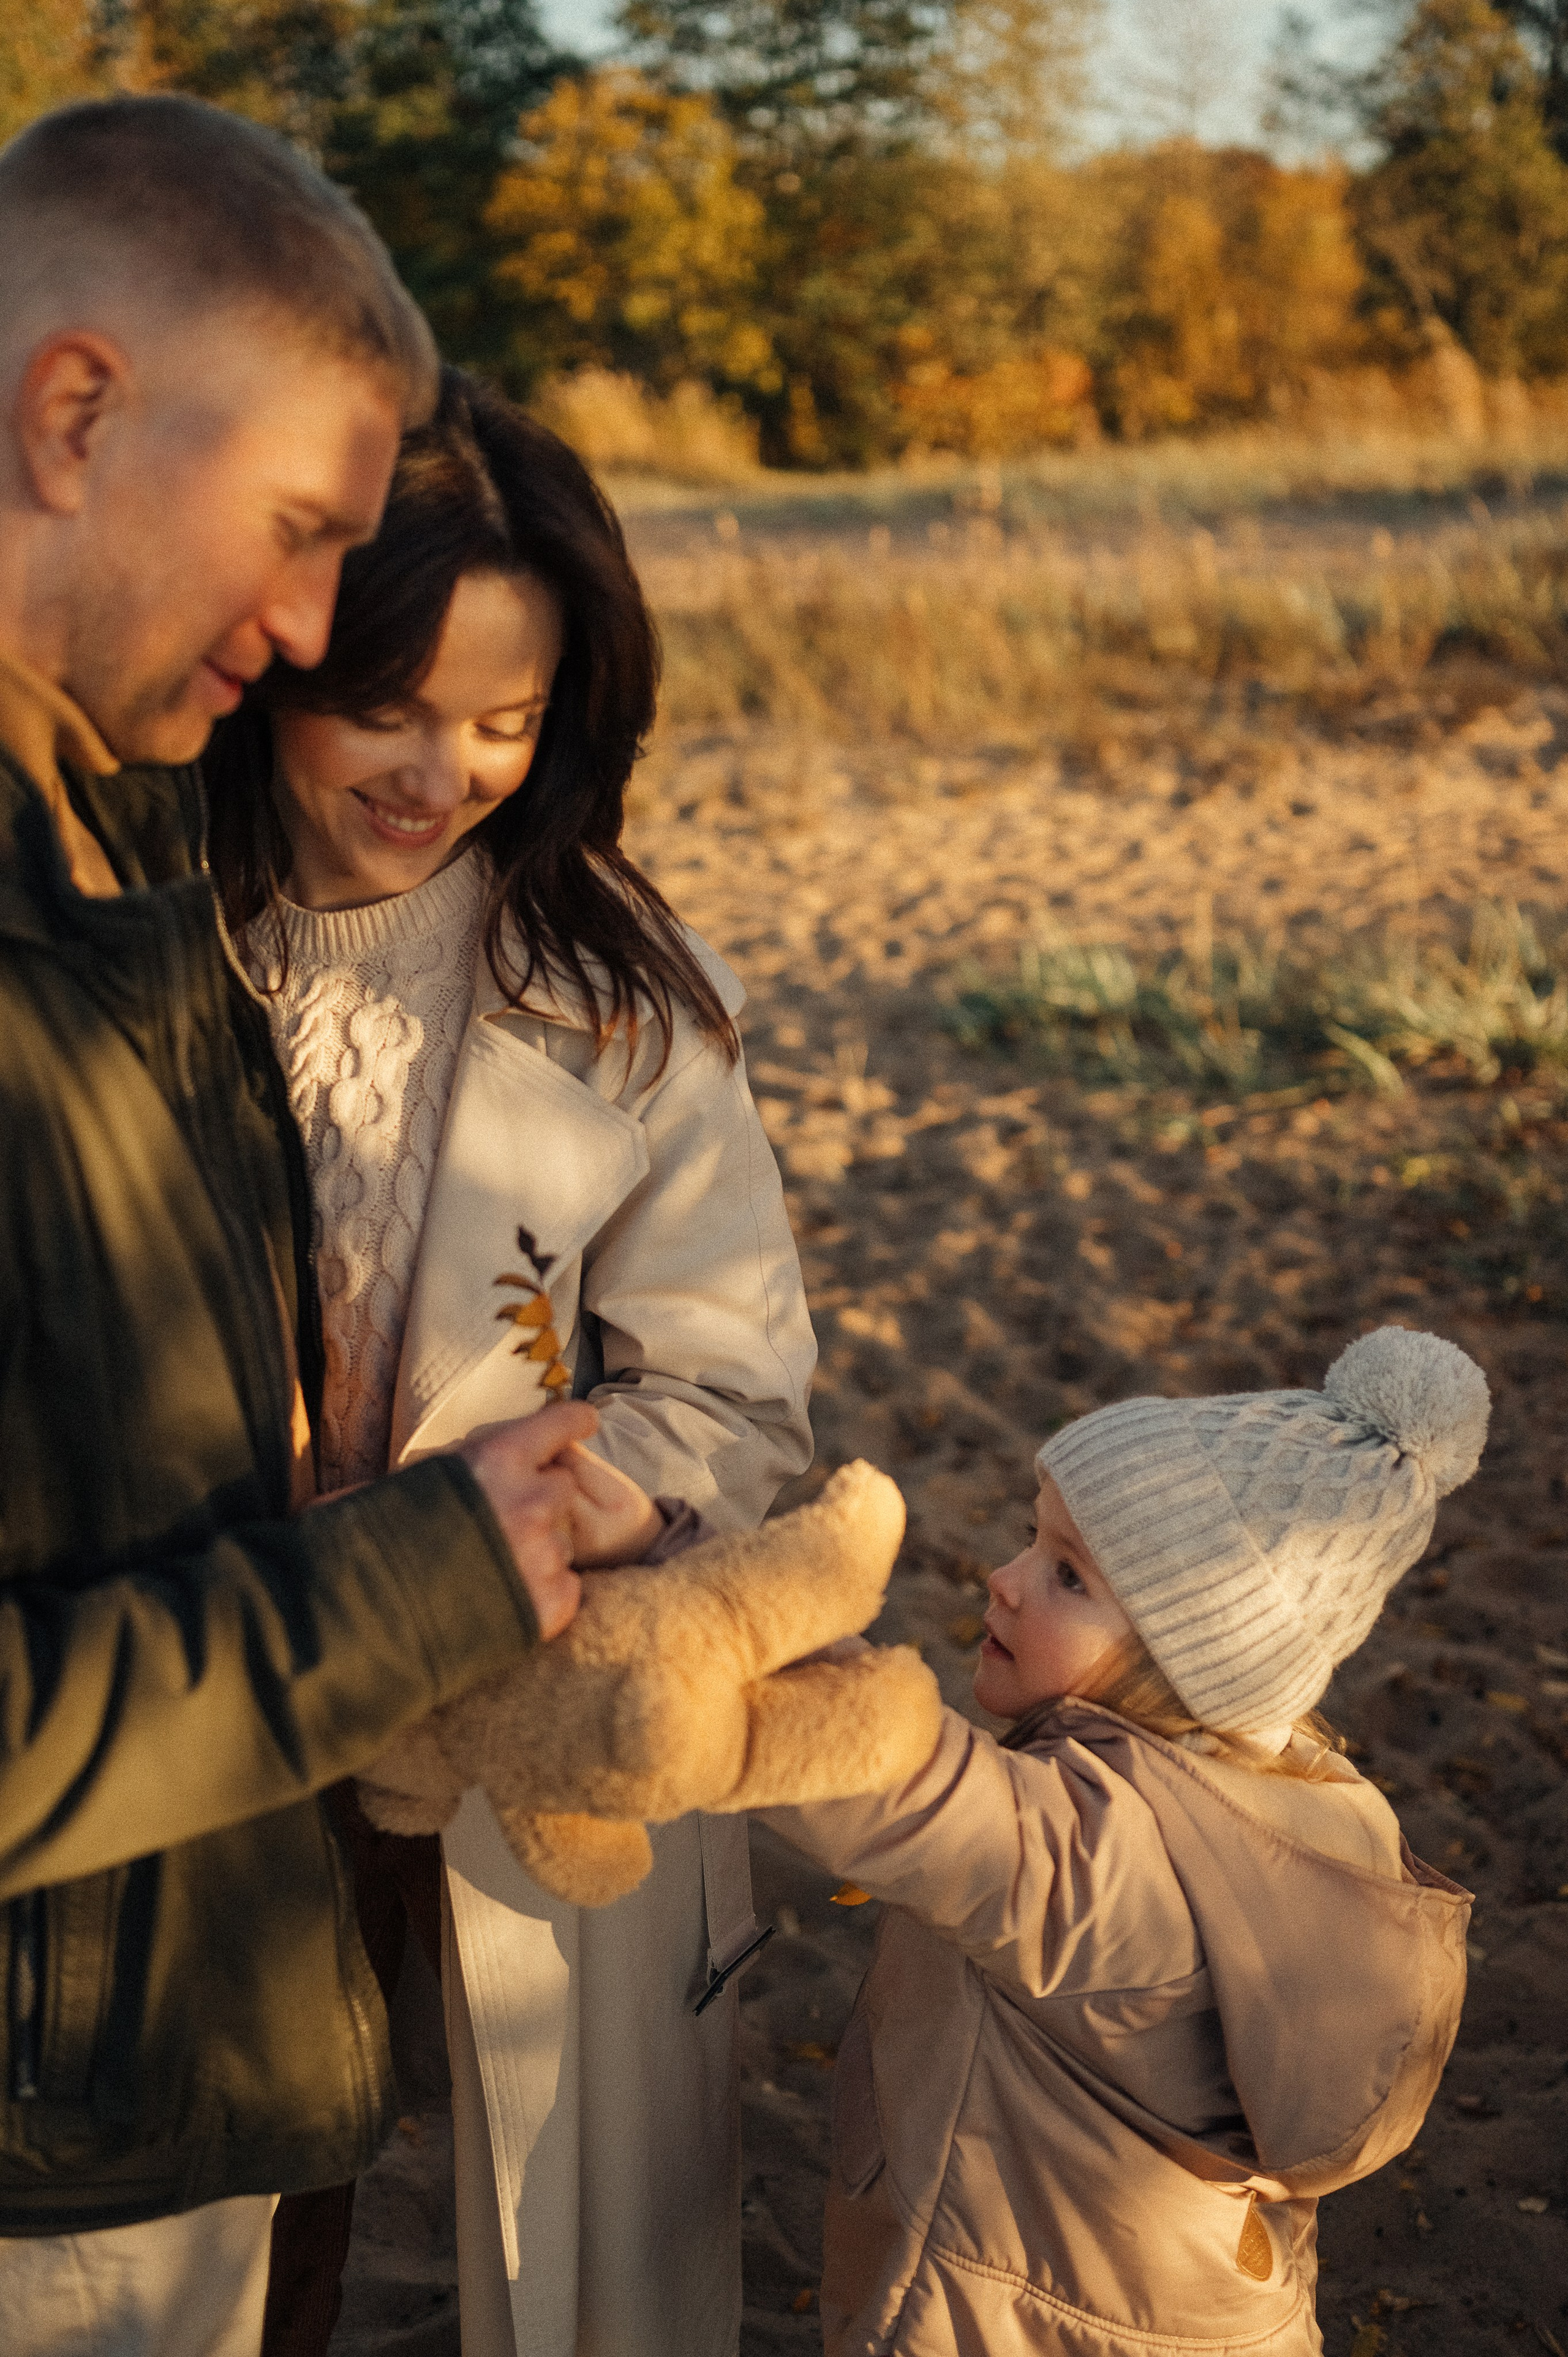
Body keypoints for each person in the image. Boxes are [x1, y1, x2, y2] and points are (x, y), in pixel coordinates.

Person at [0, 94, 635, 2357]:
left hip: (162, 2084)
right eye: (292, 532)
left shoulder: (113, 844)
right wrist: (420, 1572)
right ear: (74, 412)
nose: (296, 628)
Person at [202, 366, 816, 2357]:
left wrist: (510, 1534)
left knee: (571, 2263)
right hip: (208, 1719)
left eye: (506, 716)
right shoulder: (131, 957)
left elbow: (733, 1395)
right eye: (390, 704)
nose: (439, 768)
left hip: (520, 1726)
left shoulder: (630, 993)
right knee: (222, 2240)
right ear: (275, 658)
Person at [756, 1327, 1482, 2355]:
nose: (1003, 1578)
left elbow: (900, 1793)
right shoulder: (1308, 1802)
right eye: (1031, 1539)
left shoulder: (1117, 1869)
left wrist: (725, 1634)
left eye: (1069, 1578)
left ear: (1193, 1666)